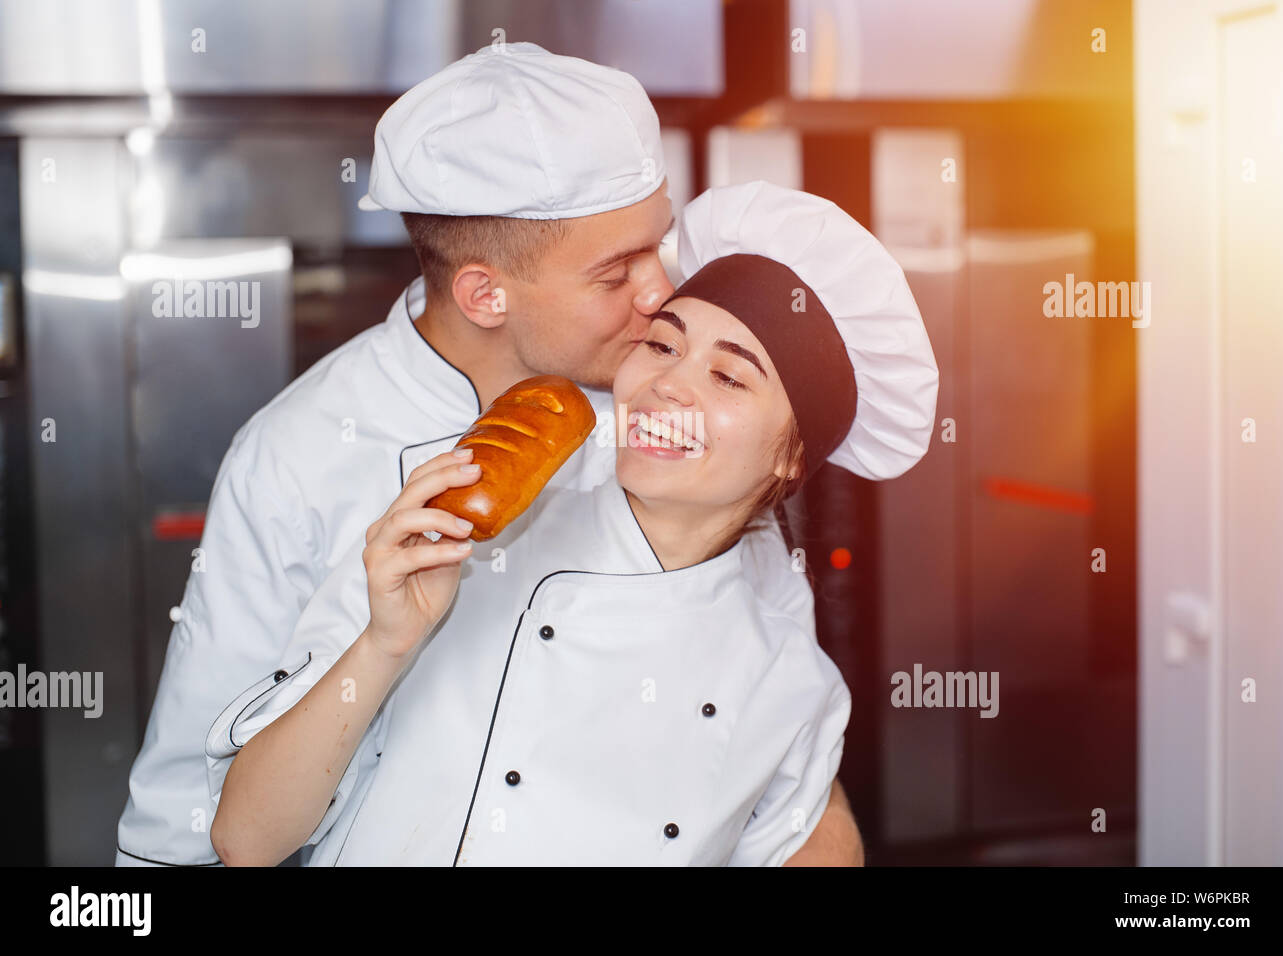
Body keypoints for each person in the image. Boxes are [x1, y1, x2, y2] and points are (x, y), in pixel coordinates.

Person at [114, 43, 864, 866]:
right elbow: (188, 818)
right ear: (484, 294)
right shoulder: (296, 458)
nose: (660, 294)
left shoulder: (660, 412)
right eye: (617, 272)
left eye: (661, 244)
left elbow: (769, 722)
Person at [207, 181, 940, 866]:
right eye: (661, 344)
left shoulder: (789, 677)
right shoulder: (451, 536)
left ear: (791, 457)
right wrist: (384, 643)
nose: (666, 386)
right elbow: (246, 839)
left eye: (727, 376)